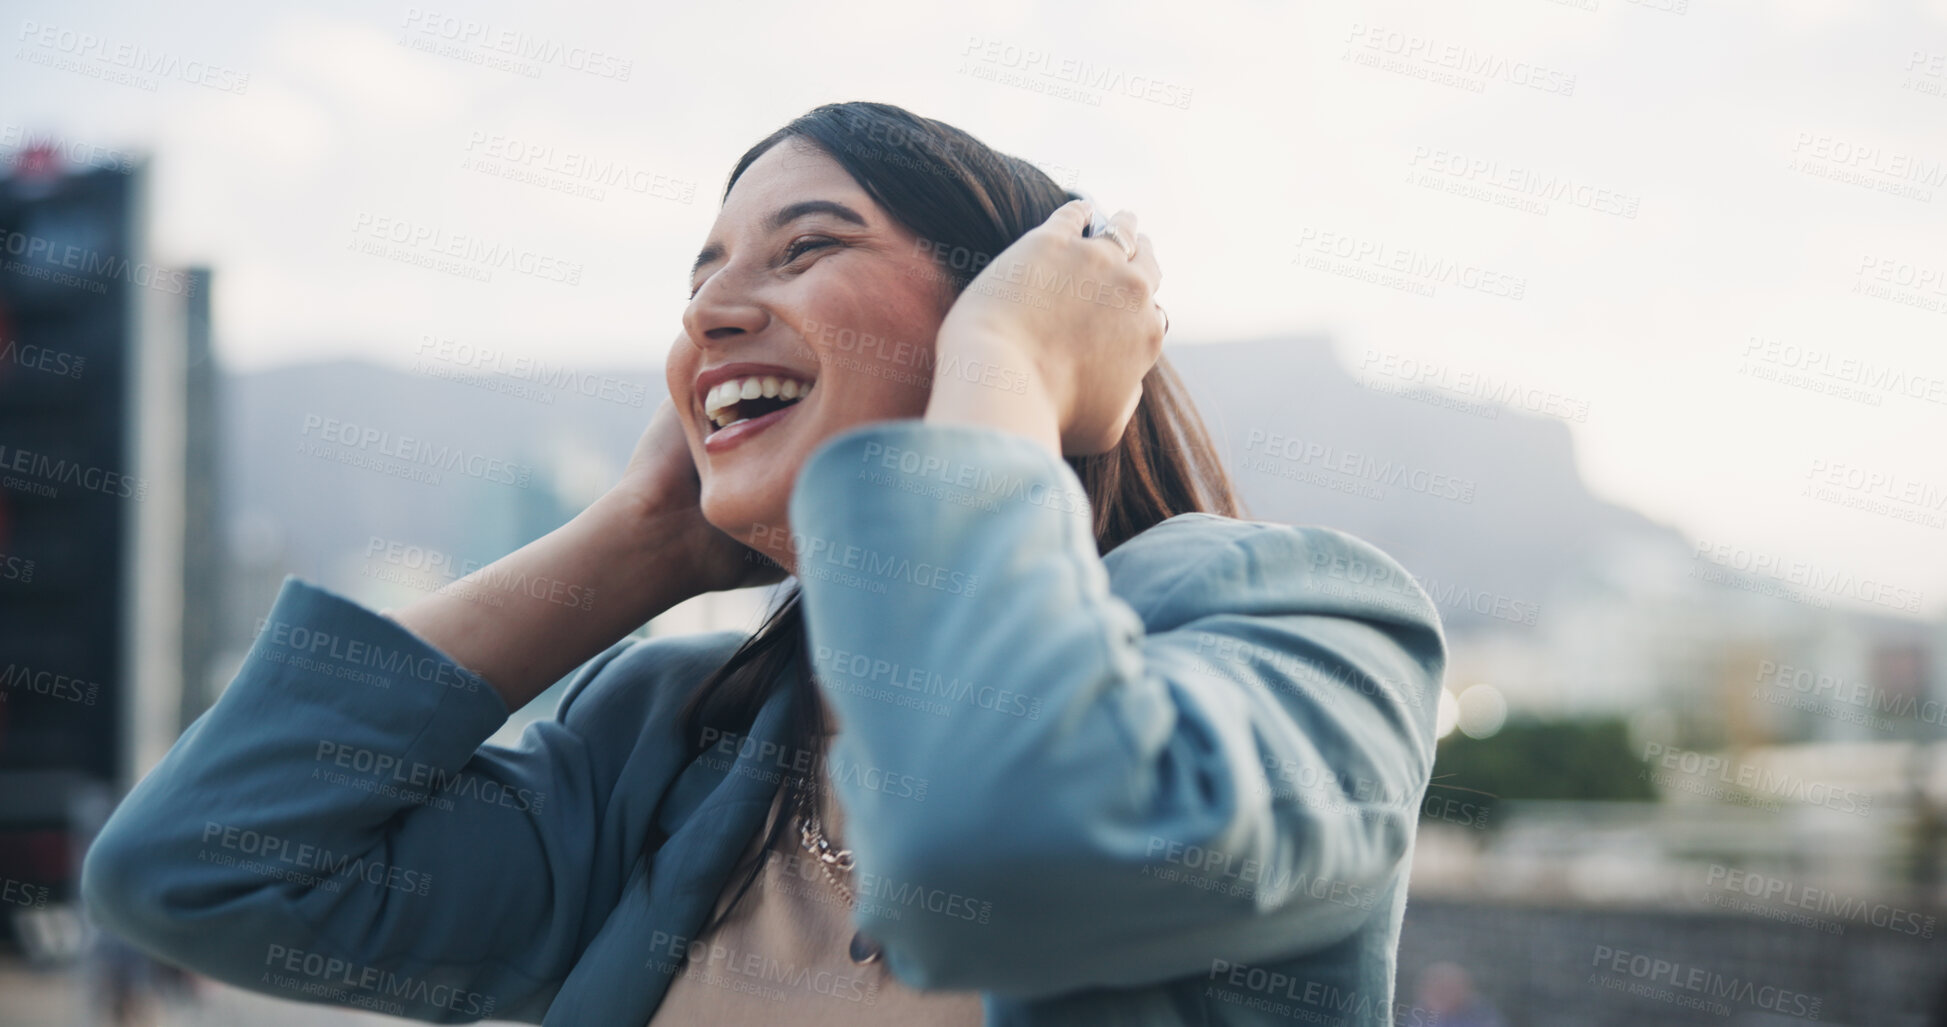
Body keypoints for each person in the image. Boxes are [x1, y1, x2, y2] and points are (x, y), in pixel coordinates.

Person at [78, 101, 1447, 1025]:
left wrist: (1009, 373)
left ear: (1001, 311)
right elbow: (195, 872)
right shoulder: (670, 747)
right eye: (701, 278)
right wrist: (640, 542)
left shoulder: (1306, 626)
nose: (716, 312)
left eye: (808, 248)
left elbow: (1006, 842)